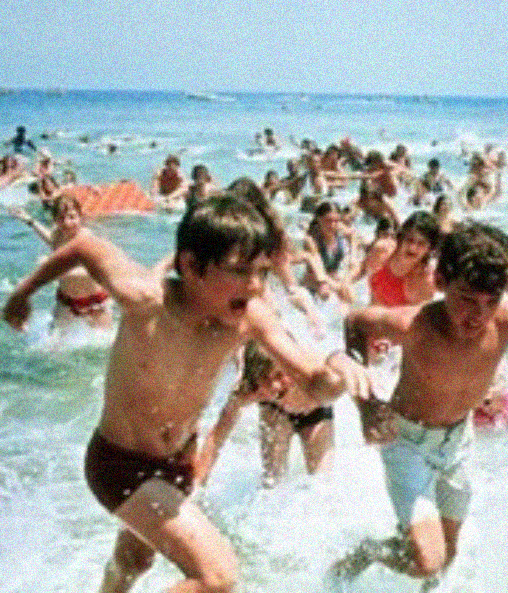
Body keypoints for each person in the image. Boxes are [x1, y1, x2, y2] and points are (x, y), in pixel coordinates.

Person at [2, 192, 370, 593]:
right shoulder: (145, 298)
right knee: (217, 578)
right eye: (240, 271)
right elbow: (83, 246)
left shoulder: (249, 318)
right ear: (191, 265)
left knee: (133, 561)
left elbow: (313, 380)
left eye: (262, 272)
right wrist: (23, 293)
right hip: (117, 464)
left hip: (178, 466)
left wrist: (340, 366)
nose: (255, 286)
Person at [332, 221, 508, 586]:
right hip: (406, 442)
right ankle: (371, 552)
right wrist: (366, 405)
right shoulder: (414, 324)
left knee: (448, 556)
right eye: (467, 299)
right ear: (441, 282)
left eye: (490, 302)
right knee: (429, 560)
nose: (478, 314)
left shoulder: (505, 321)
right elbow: (355, 321)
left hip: (458, 442)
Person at [196, 340, 335, 488]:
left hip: (315, 412)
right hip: (275, 413)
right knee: (273, 484)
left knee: (322, 483)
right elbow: (217, 437)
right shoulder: (248, 390)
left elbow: (343, 379)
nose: (275, 386)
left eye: (280, 375)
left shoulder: (310, 369)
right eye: (266, 379)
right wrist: (196, 485)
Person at [9, 194, 113, 330]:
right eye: (61, 218)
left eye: (71, 217)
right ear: (55, 220)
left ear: (80, 217)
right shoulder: (58, 234)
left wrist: (51, 268)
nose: (67, 223)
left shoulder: (86, 240)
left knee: (104, 342)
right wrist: (31, 222)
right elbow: (52, 242)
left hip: (95, 302)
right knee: (53, 345)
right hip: (66, 302)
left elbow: (93, 271)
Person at [365, 211, 440, 307]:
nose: (412, 248)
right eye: (410, 239)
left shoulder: (425, 281)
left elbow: (414, 319)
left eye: (421, 243)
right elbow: (362, 266)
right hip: (368, 315)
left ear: (430, 249)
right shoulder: (382, 250)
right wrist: (347, 280)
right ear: (402, 237)